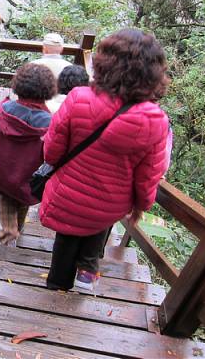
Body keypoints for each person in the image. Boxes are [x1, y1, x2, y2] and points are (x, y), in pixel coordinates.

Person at [40, 28, 169, 292]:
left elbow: (51, 153)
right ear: (153, 73)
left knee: (67, 236)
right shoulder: (156, 121)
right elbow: (148, 176)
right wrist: (142, 206)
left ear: (103, 62)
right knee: (97, 224)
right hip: (112, 201)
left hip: (69, 193)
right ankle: (87, 274)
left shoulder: (78, 98)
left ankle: (56, 287)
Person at [0, 63, 56, 246]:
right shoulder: (51, 123)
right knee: (22, 200)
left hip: (2, 168)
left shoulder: (4, 109)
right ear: (48, 90)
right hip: (28, 176)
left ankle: (9, 228)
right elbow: (52, 153)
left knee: (5, 196)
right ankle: (18, 228)